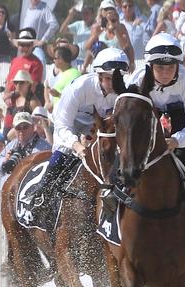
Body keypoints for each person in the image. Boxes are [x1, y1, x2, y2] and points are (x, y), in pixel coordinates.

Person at [127, 33, 185, 211]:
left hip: (181, 119)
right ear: (150, 66)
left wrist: (177, 140)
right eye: (160, 68)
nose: (165, 73)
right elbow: (130, 117)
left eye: (170, 67)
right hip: (148, 119)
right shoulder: (137, 80)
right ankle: (114, 190)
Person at [24, 47, 129, 207]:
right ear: (99, 76)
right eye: (109, 78)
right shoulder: (80, 87)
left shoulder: (123, 91)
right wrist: (76, 145)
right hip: (68, 123)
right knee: (62, 153)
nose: (114, 84)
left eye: (118, 79)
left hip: (96, 127)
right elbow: (62, 124)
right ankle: (41, 193)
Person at [0, 112, 51, 181]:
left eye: (25, 127)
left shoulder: (44, 147)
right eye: (18, 128)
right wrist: (5, 161)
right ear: (14, 129)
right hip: (13, 187)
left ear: (33, 127)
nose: (22, 131)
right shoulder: (12, 145)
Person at [85, 0, 135, 66]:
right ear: (101, 11)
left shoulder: (120, 26)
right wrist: (95, 35)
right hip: (102, 64)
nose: (108, 11)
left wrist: (132, 63)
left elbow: (126, 46)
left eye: (111, 8)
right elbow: (87, 48)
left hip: (118, 62)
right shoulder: (97, 27)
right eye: (106, 9)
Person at [19, 0, 59, 65]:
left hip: (35, 50)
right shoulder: (28, 9)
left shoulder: (44, 9)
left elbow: (54, 25)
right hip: (25, 49)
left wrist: (43, 40)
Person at [5, 28, 44, 93]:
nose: (25, 48)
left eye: (28, 45)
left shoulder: (36, 63)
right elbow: (8, 81)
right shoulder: (14, 61)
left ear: (32, 46)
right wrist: (6, 95)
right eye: (22, 45)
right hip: (10, 100)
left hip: (25, 101)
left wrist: (11, 95)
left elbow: (32, 87)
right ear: (18, 45)